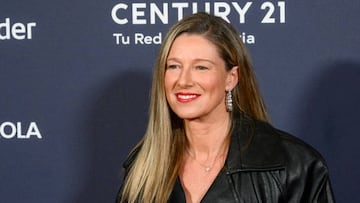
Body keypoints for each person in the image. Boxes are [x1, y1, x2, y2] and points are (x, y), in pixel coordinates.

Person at [116, 12, 335, 203]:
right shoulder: (142, 169)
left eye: (201, 67)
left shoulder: (294, 165)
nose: (183, 80)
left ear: (231, 78)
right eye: (174, 66)